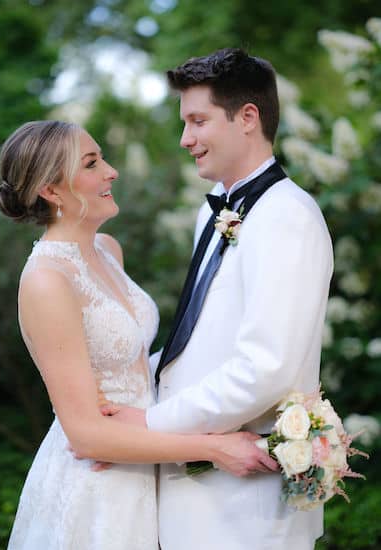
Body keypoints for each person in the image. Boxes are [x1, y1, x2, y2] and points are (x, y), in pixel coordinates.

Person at [0, 120, 277, 550]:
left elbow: (129, 362)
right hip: (99, 486)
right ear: (51, 191)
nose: (112, 171)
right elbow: (86, 435)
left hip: (149, 456)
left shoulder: (108, 249)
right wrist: (216, 448)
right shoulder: (46, 281)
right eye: (92, 164)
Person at [105, 48, 334, 549]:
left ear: (247, 117)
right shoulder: (212, 214)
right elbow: (201, 342)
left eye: (198, 120)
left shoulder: (286, 215)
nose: (186, 139)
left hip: (247, 503)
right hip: (200, 492)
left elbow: (266, 366)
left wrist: (150, 423)